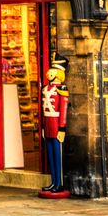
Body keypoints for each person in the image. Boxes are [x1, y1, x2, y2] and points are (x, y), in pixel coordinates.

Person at [40, 59, 69, 197]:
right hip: (48, 123)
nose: (49, 72)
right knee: (50, 154)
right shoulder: (45, 88)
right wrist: (43, 127)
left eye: (53, 69)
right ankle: (53, 182)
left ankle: (60, 183)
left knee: (58, 155)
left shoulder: (62, 89)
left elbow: (63, 109)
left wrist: (62, 128)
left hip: (57, 124)